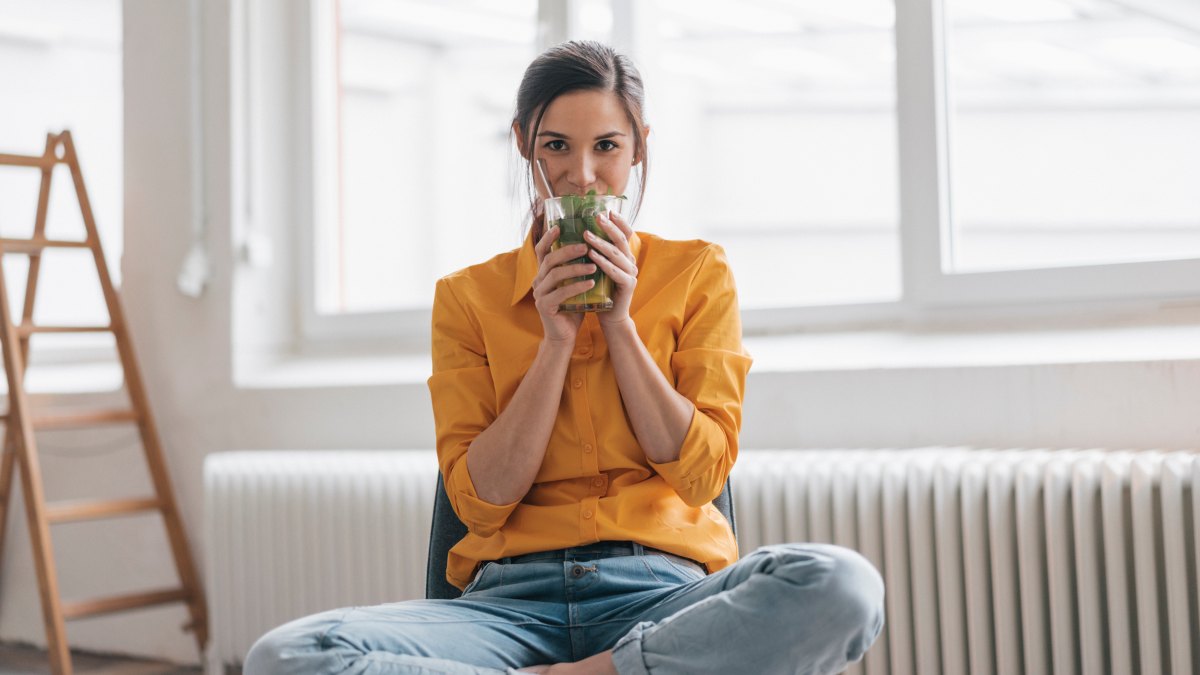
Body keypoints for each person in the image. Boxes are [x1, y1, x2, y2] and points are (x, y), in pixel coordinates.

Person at [245, 40, 884, 675]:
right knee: (288, 655)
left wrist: (619, 325)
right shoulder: (468, 298)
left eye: (607, 145)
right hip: (508, 607)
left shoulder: (697, 273)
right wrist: (553, 342)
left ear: (639, 148)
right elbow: (479, 502)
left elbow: (701, 479)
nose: (582, 174)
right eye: (556, 146)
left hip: (663, 594)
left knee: (841, 584)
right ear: (524, 142)